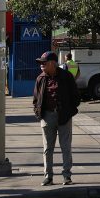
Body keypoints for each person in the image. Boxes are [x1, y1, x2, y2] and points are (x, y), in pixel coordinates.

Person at [33, 52, 80, 186]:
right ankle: (48, 176)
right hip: (47, 116)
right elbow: (35, 99)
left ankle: (67, 176)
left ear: (53, 64)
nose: (41, 65)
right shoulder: (40, 78)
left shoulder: (66, 76)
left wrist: (70, 111)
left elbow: (75, 96)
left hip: (64, 115)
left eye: (44, 63)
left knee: (66, 147)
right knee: (48, 148)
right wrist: (38, 113)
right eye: (40, 63)